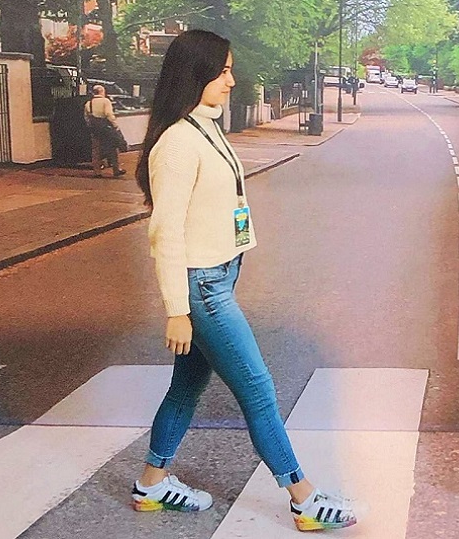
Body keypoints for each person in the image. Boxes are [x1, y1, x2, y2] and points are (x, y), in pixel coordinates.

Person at [133, 30, 356, 532]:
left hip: (218, 278)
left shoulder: (206, 128)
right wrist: (177, 309)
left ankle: (150, 484)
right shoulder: (176, 144)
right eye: (224, 71)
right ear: (197, 75)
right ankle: (303, 498)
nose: (232, 80)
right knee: (258, 388)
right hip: (203, 288)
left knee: (186, 388)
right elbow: (165, 235)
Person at [84, 84, 126, 178]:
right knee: (112, 148)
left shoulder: (88, 103)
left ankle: (97, 171)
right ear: (102, 91)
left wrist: (91, 126)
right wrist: (115, 126)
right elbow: (109, 114)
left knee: (96, 150)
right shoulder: (105, 101)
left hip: (95, 129)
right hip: (106, 128)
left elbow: (86, 117)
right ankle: (116, 169)